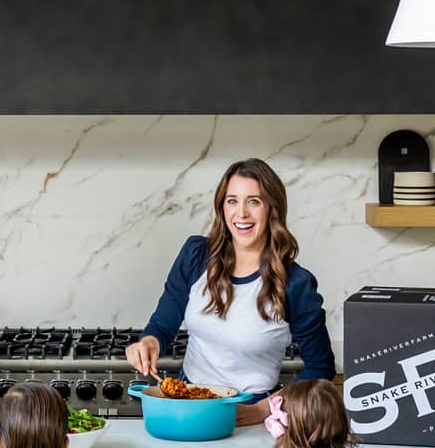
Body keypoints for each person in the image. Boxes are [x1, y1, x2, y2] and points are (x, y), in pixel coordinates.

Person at [126, 158, 335, 426]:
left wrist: (262, 410)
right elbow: (162, 325)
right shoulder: (196, 255)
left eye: (254, 201)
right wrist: (148, 343)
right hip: (186, 403)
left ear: (272, 209)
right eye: (232, 201)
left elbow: (320, 369)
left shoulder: (295, 283)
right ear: (222, 207)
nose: (242, 214)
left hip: (249, 412)